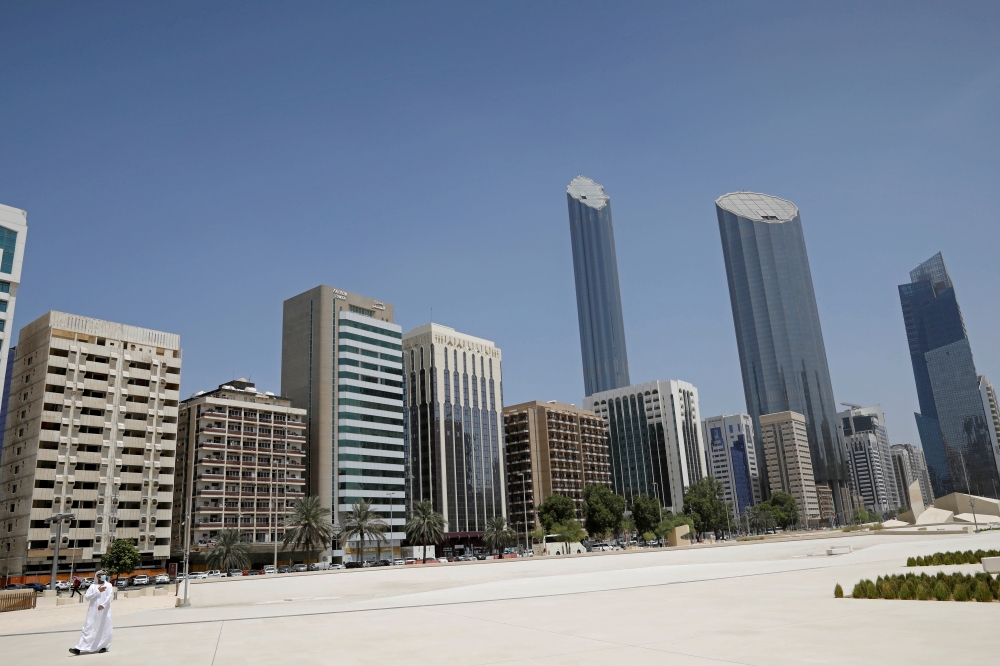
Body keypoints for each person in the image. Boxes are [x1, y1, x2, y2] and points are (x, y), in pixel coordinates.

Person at [69, 569, 113, 655]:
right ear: (97, 576)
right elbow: (87, 597)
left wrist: (103, 605)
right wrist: (97, 591)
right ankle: (78, 648)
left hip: (105, 611)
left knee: (104, 628)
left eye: (105, 574)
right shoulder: (93, 586)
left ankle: (103, 646)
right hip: (93, 611)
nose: (104, 576)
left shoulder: (109, 585)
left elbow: (109, 596)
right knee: (88, 627)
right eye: (102, 574)